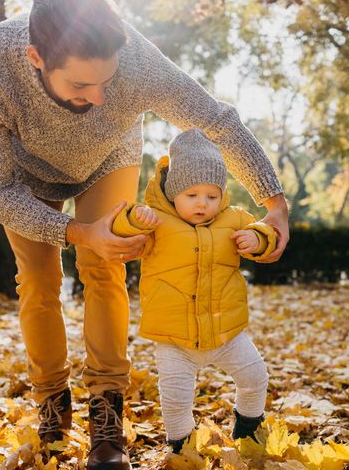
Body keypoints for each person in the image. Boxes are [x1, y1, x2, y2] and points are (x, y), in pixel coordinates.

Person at [0, 0, 288, 470]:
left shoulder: (138, 61)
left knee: (105, 270)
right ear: (36, 59)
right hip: (24, 174)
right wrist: (77, 231)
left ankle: (106, 417)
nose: (99, 97)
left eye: (108, 80)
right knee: (38, 282)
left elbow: (217, 121)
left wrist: (274, 203)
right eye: (81, 84)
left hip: (109, 158)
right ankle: (52, 407)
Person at [113, 129, 276, 450]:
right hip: (174, 338)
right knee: (175, 399)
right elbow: (119, 226)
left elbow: (265, 231)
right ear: (174, 192)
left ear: (222, 195)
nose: (202, 204)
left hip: (227, 332)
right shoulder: (155, 219)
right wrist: (134, 218)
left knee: (255, 377)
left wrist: (258, 238)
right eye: (191, 195)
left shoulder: (233, 219)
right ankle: (181, 445)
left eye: (211, 196)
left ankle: (249, 426)